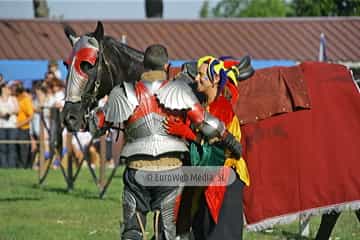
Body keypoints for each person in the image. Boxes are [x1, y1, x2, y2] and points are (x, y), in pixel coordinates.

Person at [93, 44, 242, 240]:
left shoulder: (123, 92)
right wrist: (231, 141)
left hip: (136, 171)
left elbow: (96, 124)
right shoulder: (179, 91)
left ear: (144, 66)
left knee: (132, 231)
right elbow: (206, 122)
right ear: (166, 66)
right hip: (169, 173)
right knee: (166, 233)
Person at [165, 55, 253, 240]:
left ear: (214, 79)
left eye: (201, 75)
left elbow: (218, 152)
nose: (196, 78)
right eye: (197, 74)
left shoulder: (222, 108)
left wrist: (189, 134)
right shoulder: (202, 105)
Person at [11, 80, 34, 168]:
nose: (11, 90)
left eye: (13, 89)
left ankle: (23, 167)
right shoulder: (15, 98)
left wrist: (19, 124)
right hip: (15, 129)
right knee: (16, 149)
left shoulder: (25, 99)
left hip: (23, 129)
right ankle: (18, 167)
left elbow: (31, 116)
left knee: (23, 150)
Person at [0, 79, 19, 168]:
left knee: (12, 147)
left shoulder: (13, 99)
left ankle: (11, 166)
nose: (9, 89)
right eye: (7, 88)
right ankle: (3, 166)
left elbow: (17, 110)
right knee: (2, 148)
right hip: (1, 126)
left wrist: (9, 113)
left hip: (12, 126)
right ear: (3, 89)